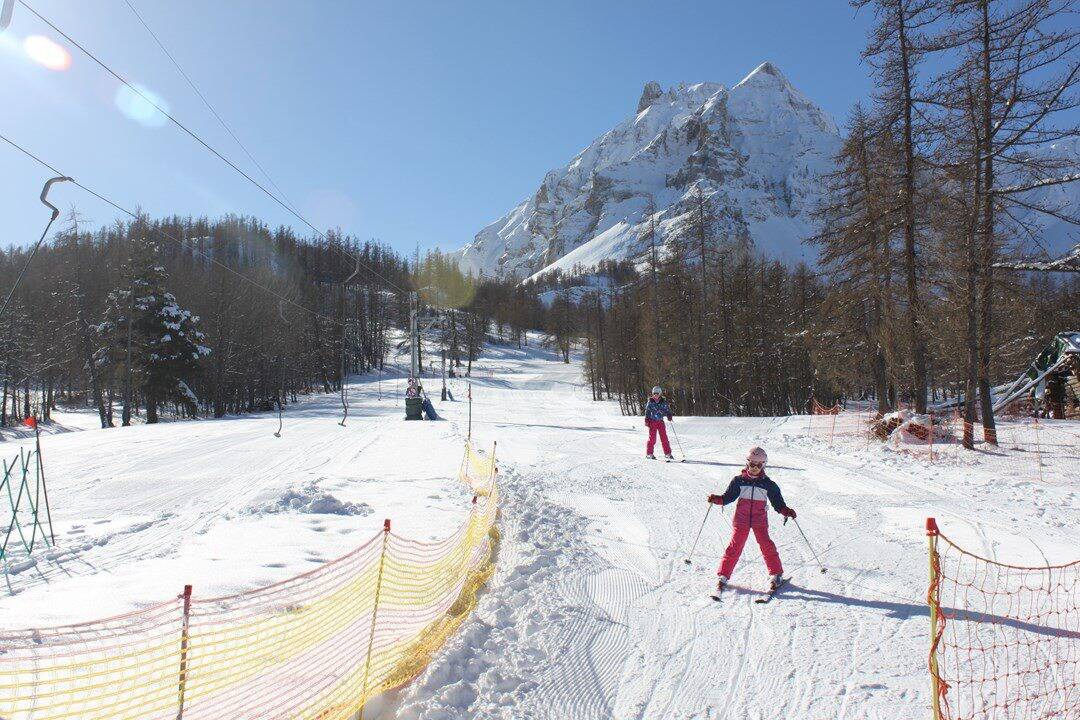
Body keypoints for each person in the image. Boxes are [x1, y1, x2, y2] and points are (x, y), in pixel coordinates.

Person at [707, 447, 796, 592]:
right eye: (752, 464)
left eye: (759, 465)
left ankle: (776, 574)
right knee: (734, 546)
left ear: (763, 465)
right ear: (747, 463)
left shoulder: (768, 484)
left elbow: (777, 503)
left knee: (766, 544)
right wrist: (716, 499)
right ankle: (723, 575)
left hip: (759, 520)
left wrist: (786, 511)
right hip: (741, 519)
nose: (755, 468)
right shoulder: (738, 481)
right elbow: (727, 497)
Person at [643, 386, 674, 460]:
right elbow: (647, 411)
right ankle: (649, 453)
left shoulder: (663, 402)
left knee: (664, 438)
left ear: (660, 393)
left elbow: (667, 409)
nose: (656, 395)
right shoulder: (650, 401)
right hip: (652, 422)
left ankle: (668, 453)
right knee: (652, 439)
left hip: (660, 422)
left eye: (657, 393)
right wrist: (647, 419)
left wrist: (669, 415)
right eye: (654, 393)